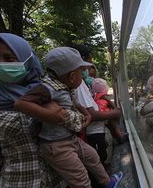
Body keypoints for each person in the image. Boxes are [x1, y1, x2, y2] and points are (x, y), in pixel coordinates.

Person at [13, 47, 123, 188]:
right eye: (81, 71)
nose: (84, 75)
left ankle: (108, 183)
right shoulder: (48, 88)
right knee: (80, 178)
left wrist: (85, 112)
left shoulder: (64, 87)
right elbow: (20, 103)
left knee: (92, 156)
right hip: (56, 145)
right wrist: (51, 116)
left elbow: (74, 102)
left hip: (70, 138)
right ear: (71, 76)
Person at [0, 31, 64, 188]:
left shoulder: (53, 92)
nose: (1, 65)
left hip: (63, 180)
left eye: (9, 58)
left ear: (27, 59)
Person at [73, 45, 127, 164]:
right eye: (89, 62)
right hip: (92, 132)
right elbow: (91, 114)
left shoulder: (81, 83)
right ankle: (101, 180)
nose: (90, 67)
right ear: (82, 60)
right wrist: (114, 112)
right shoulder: (78, 85)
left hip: (95, 129)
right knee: (99, 157)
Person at [91, 78, 128, 144]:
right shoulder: (103, 95)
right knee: (114, 124)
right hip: (103, 113)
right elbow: (110, 103)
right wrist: (115, 109)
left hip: (100, 113)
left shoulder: (95, 95)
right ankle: (120, 137)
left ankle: (116, 137)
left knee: (111, 126)